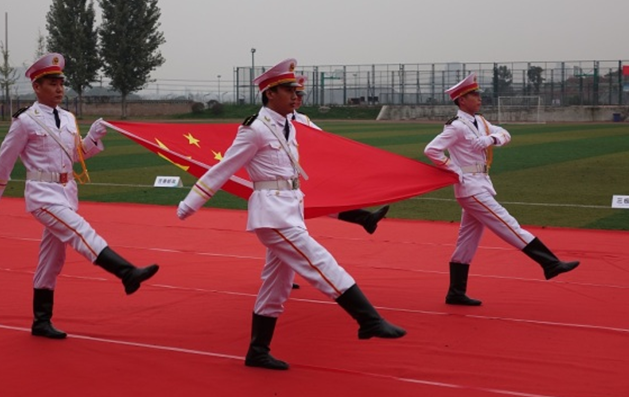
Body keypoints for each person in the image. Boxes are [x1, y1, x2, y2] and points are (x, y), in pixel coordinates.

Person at [177, 58, 406, 371]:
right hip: (272, 214)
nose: (295, 95)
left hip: (290, 208)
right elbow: (223, 168)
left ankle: (258, 351)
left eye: (296, 90)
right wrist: (190, 204)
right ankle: (369, 320)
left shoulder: (289, 125)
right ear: (270, 93)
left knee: (277, 285)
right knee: (320, 261)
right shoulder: (255, 129)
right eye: (288, 90)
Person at [0, 53, 159, 339]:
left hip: (66, 193)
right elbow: (5, 159)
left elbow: (75, 156)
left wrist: (93, 137)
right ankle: (126, 272)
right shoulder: (25, 121)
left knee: (52, 259)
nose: (59, 89)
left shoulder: (67, 118)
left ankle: (41, 321)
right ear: (37, 87)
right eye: (52, 84)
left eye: (61, 84)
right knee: (80, 231)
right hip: (42, 195)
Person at [424, 73, 579, 306]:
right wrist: (454, 170)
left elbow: (506, 133)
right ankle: (550, 263)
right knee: (508, 224)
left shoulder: (481, 122)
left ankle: (455, 292)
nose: (479, 98)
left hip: (480, 184)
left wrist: (492, 139)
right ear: (462, 100)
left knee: (466, 242)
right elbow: (432, 150)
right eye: (474, 95)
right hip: (471, 188)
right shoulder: (456, 126)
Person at [291, 74, 390, 235]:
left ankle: (365, 219)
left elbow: (324, 139)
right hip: (283, 176)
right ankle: (365, 219)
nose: (299, 99)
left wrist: (347, 153)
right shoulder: (269, 120)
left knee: (322, 199)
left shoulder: (302, 119)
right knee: (309, 203)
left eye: (301, 95)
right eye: (296, 94)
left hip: (303, 171)